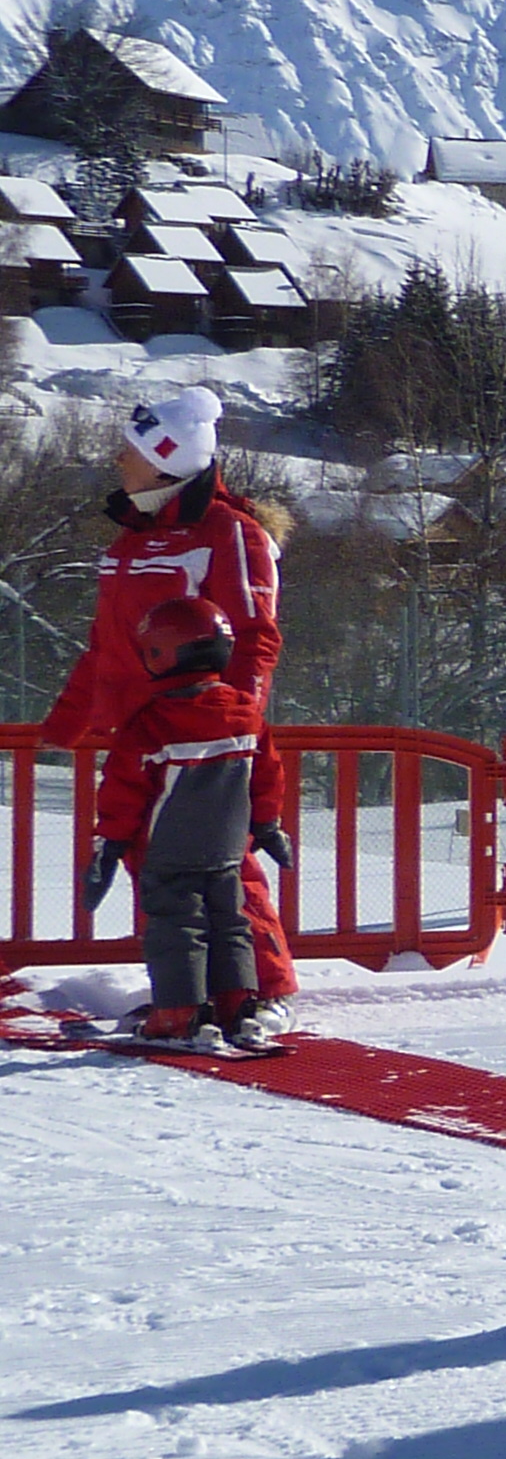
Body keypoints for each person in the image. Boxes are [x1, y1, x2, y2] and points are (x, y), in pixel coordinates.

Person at [47, 389, 300, 1038]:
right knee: (158, 874)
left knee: (224, 864)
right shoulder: (129, 544)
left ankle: (259, 990)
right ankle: (186, 997)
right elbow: (106, 649)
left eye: (131, 450)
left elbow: (255, 636)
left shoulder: (230, 533)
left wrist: (231, 723)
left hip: (208, 737)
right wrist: (64, 725)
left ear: (164, 457)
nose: (118, 460)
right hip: (144, 739)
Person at [80, 597, 263, 1049]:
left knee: (176, 926)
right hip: (226, 848)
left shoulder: (152, 723)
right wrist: (270, 823)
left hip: (167, 851)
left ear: (163, 653)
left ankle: (179, 1013)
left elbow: (124, 790)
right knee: (230, 922)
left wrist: (111, 844)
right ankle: (237, 1006)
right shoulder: (245, 711)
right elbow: (268, 773)